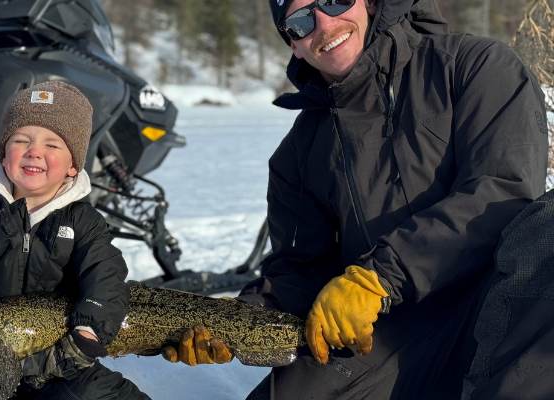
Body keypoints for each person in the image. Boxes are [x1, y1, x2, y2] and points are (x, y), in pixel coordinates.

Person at [162, 0, 548, 398]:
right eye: (300, 21)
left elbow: (503, 193)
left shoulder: (474, 67)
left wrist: (379, 278)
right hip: (389, 335)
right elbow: (299, 273)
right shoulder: (298, 153)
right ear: (292, 44)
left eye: (335, 0)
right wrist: (231, 324)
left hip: (502, 310)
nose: (325, 24)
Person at [0, 81, 149, 399]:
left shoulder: (85, 222)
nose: (35, 151)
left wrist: (87, 330)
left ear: (73, 165)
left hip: (63, 358)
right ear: (4, 154)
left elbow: (105, 278)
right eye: (22, 140)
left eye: (52, 145)